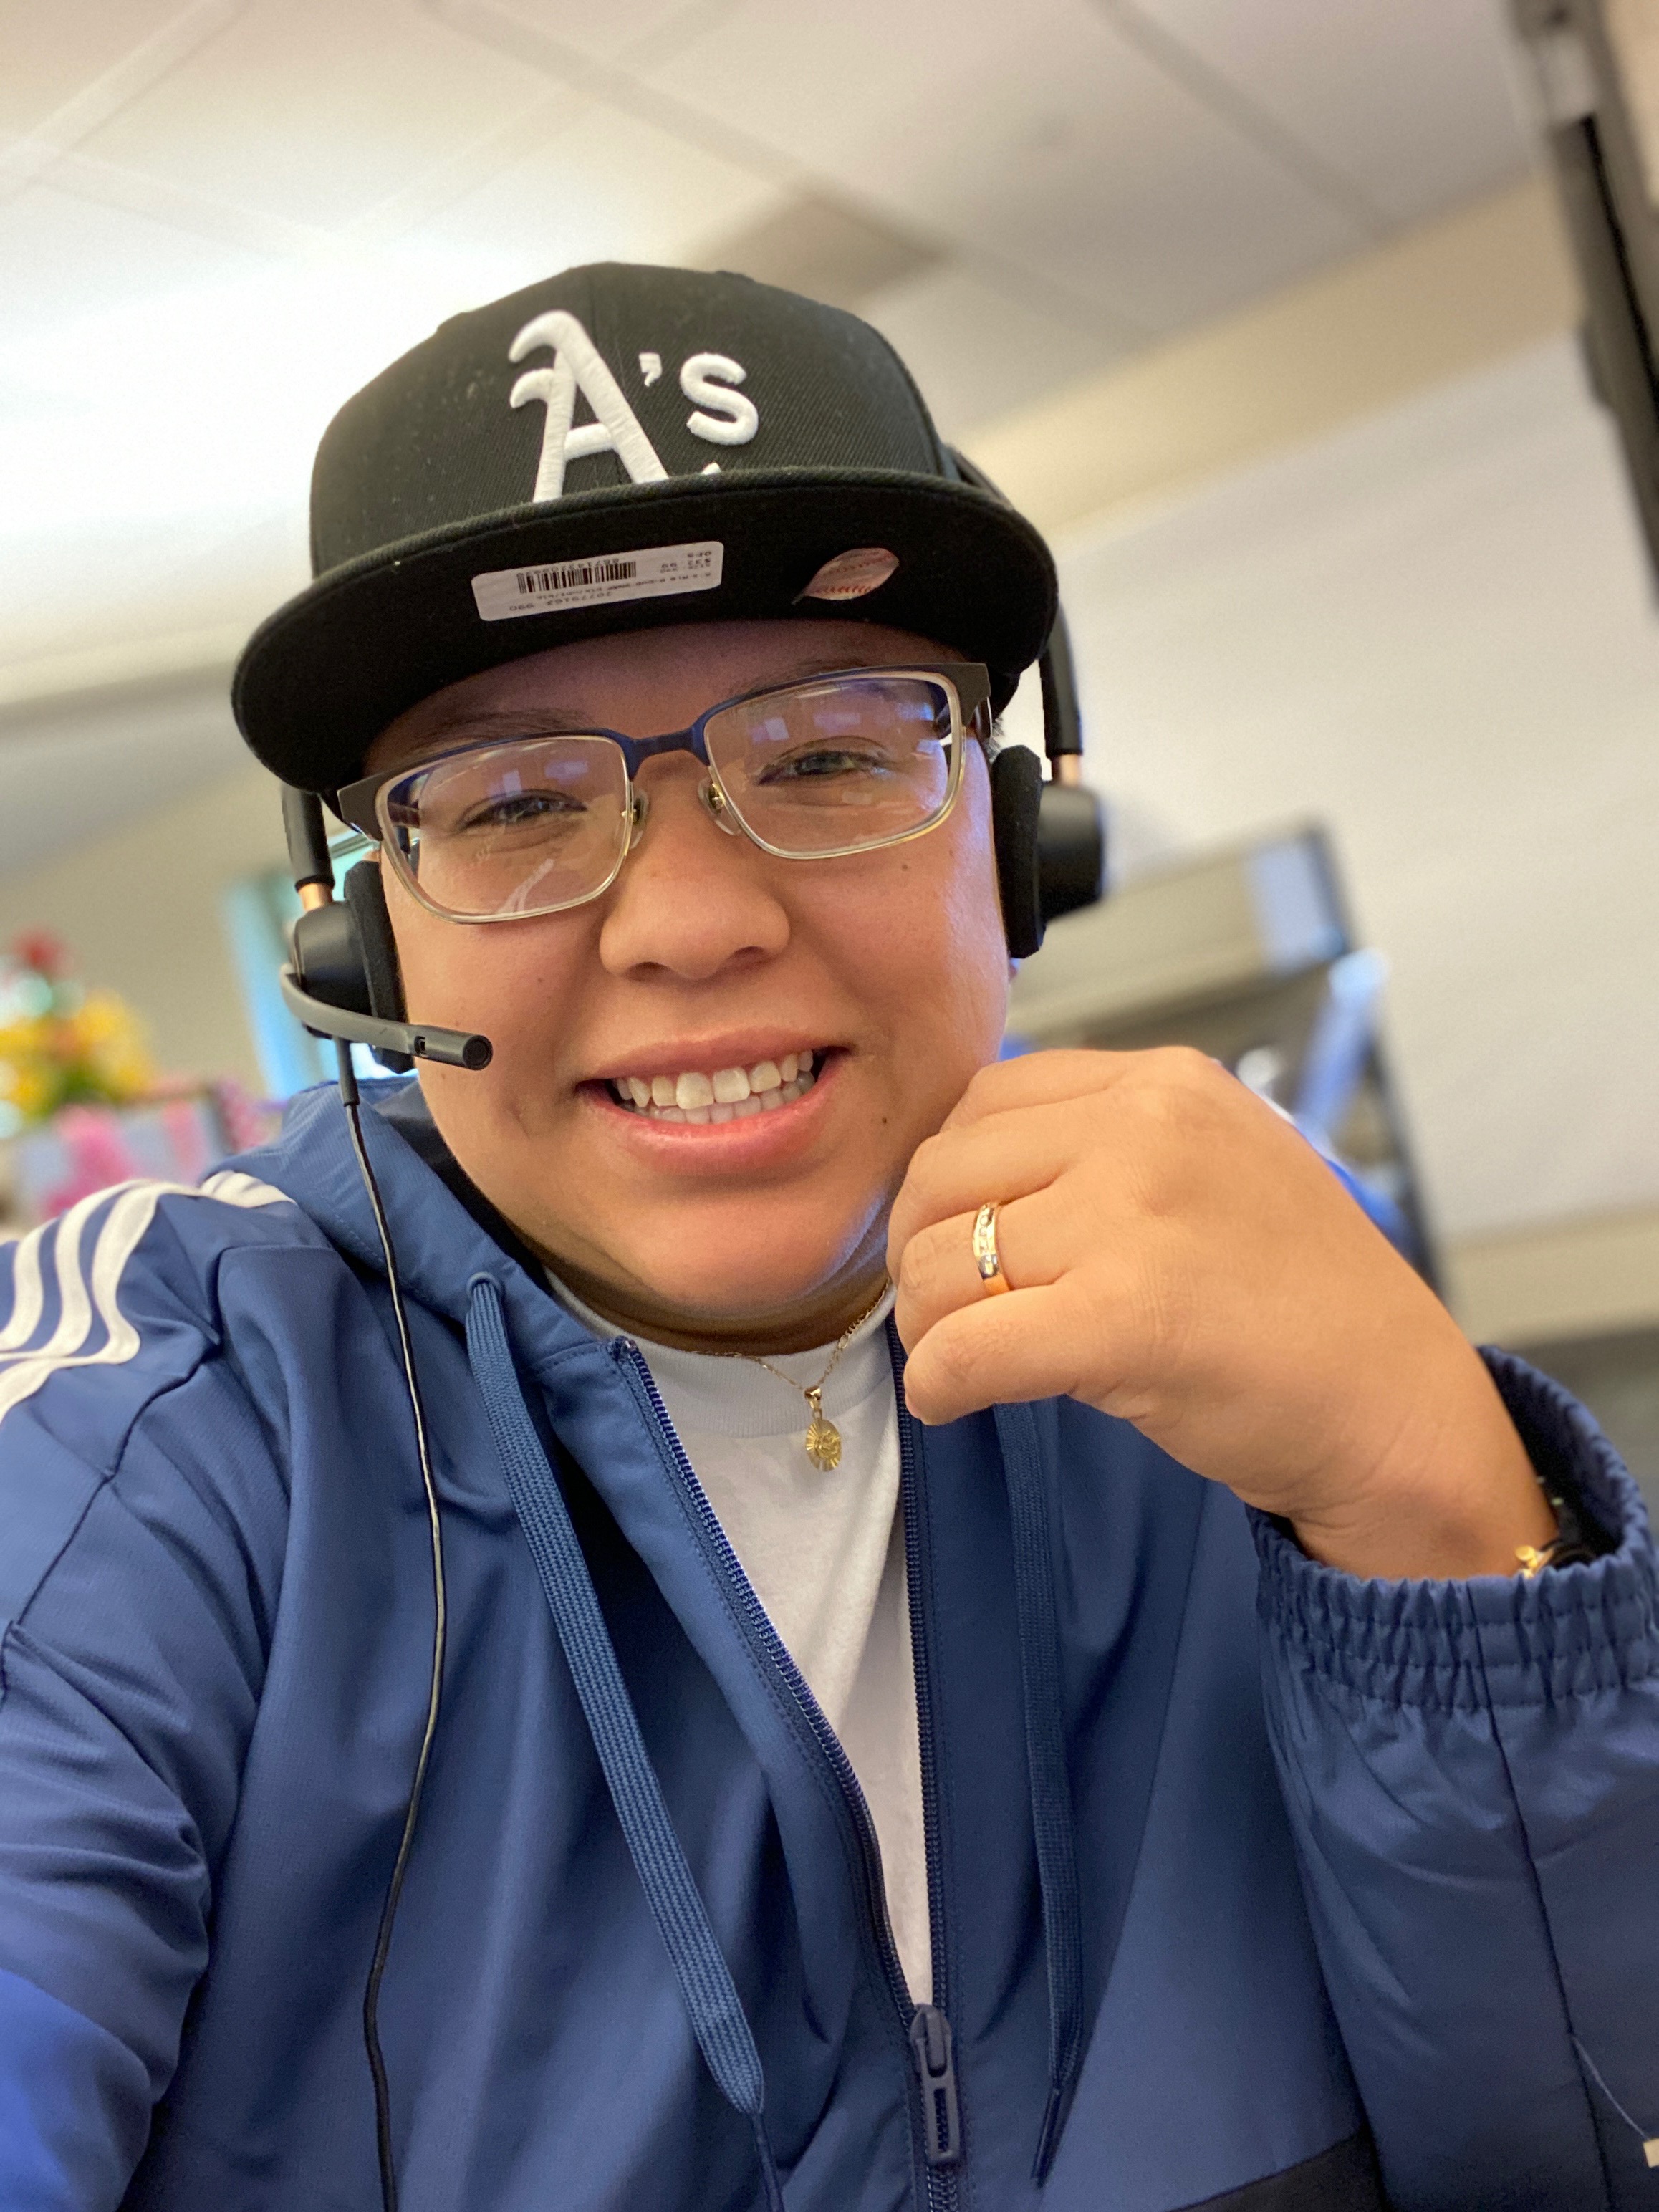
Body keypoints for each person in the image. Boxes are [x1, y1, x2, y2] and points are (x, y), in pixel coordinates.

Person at [0, 262, 1653, 2212]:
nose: (691, 923)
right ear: (364, 937)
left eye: (828, 754)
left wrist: (1445, 1518)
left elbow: (1578, 2142)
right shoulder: (160, 1417)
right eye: (513, 803)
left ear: (1014, 840)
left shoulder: (1252, 1306)